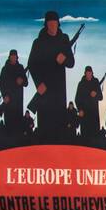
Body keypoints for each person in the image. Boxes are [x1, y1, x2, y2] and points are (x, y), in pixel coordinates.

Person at [26, 10, 74, 141]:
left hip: (59, 89)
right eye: (50, 24)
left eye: (55, 24)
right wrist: (38, 84)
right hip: (45, 88)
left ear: (58, 24)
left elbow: (71, 63)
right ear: (46, 25)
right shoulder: (38, 42)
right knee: (45, 124)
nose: (53, 26)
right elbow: (31, 64)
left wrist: (63, 59)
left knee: (59, 124)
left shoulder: (64, 40)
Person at [0, 50, 28, 135]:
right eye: (12, 56)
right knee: (9, 126)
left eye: (15, 56)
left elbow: (26, 83)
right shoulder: (5, 69)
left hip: (18, 102)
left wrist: (21, 81)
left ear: (17, 57)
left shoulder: (20, 68)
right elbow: (0, 83)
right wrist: (5, 95)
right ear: (9, 57)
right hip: (9, 101)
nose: (13, 58)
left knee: (18, 126)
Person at [74, 67, 102, 142]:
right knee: (85, 139)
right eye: (87, 73)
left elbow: (101, 97)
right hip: (85, 116)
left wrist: (96, 94)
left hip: (94, 116)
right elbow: (77, 99)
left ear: (92, 73)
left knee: (95, 139)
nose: (89, 74)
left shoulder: (96, 82)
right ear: (85, 73)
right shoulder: (81, 84)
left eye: (90, 73)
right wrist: (80, 109)